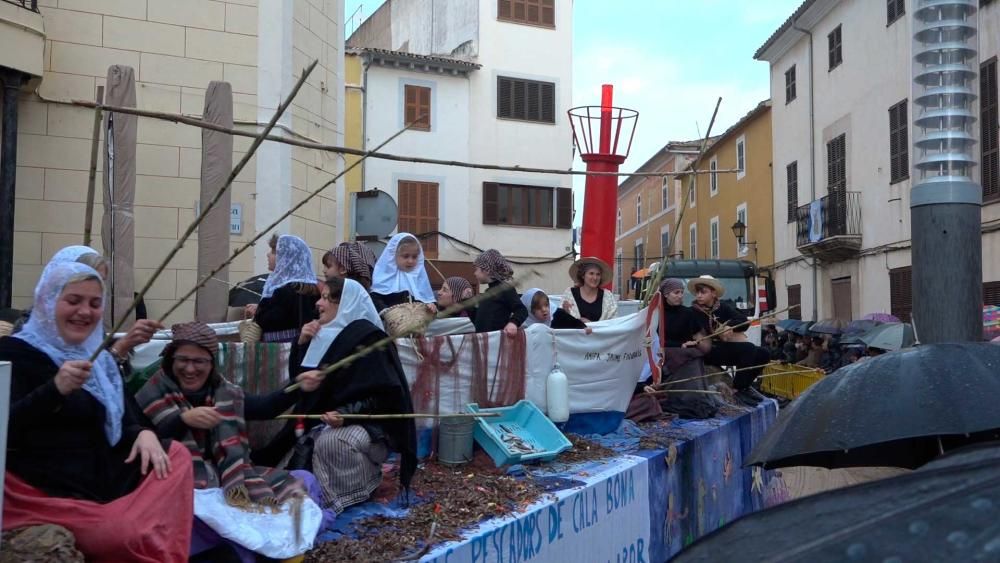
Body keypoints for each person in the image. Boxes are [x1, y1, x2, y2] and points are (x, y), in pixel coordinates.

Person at [0, 261, 193, 562]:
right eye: (73, 301)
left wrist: (142, 433)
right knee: (119, 534)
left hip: (98, 477)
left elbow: (123, 418)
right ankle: (126, 533)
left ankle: (129, 531)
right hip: (44, 488)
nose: (85, 312)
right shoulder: (14, 352)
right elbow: (6, 430)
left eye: (94, 303)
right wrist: (55, 389)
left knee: (177, 456)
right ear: (48, 302)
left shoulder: (100, 360)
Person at [261, 277, 417, 514]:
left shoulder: (369, 339)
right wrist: (301, 344)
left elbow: (386, 396)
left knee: (332, 442)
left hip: (367, 426)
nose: (318, 304)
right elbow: (302, 385)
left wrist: (346, 415)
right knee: (285, 438)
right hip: (320, 420)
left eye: (326, 298)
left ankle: (344, 494)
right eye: (321, 297)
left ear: (344, 303)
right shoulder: (320, 333)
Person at [135, 322, 324, 509]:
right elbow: (139, 436)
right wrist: (183, 420)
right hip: (173, 483)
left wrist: (298, 386)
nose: (190, 369)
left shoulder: (223, 392)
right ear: (170, 360)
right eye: (183, 360)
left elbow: (266, 408)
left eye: (199, 361)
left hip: (226, 480)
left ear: (211, 364)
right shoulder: (151, 392)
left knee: (303, 480)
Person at [688, 275, 772, 407]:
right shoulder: (692, 312)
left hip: (723, 346)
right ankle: (737, 389)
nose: (699, 295)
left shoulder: (723, 307)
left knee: (764, 353)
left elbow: (744, 322)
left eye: (703, 292)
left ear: (713, 293)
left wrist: (730, 325)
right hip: (708, 349)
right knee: (748, 348)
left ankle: (745, 386)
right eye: (697, 292)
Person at [251, 235, 319, 343]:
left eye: (274, 252)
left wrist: (258, 311)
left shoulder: (284, 290)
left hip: (281, 348)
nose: (268, 254)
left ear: (287, 257)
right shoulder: (308, 287)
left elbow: (268, 321)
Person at [370, 232, 437, 313]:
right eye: (405, 256)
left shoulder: (419, 278)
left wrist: (431, 306)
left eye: (414, 257)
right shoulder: (384, 276)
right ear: (393, 255)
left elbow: (427, 299)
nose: (410, 261)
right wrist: (386, 311)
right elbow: (375, 298)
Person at [471, 249, 527, 335]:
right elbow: (480, 321)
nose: (474, 273)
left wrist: (513, 323)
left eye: (476, 269)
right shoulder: (486, 293)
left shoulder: (505, 289)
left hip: (498, 343)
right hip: (485, 344)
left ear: (487, 270)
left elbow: (521, 310)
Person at [560, 257, 618, 323]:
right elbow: (561, 320)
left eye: (598, 274)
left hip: (600, 333)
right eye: (591, 273)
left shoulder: (608, 296)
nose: (595, 278)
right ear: (583, 275)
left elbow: (614, 322)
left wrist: (591, 324)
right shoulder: (570, 294)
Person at [521, 288, 587, 330]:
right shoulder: (523, 327)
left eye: (546, 305)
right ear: (530, 311)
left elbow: (574, 323)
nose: (544, 310)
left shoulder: (558, 315)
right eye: (538, 308)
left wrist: (583, 328)